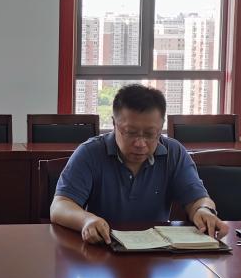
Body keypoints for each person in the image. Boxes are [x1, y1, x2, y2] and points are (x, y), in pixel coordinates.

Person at [50, 84, 228, 245]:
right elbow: (60, 206)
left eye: (150, 134)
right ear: (114, 124)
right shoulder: (90, 152)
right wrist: (86, 220)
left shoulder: (174, 153)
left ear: (161, 127)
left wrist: (203, 210)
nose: (140, 143)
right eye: (130, 132)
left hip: (156, 252)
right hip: (103, 248)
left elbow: (197, 199)